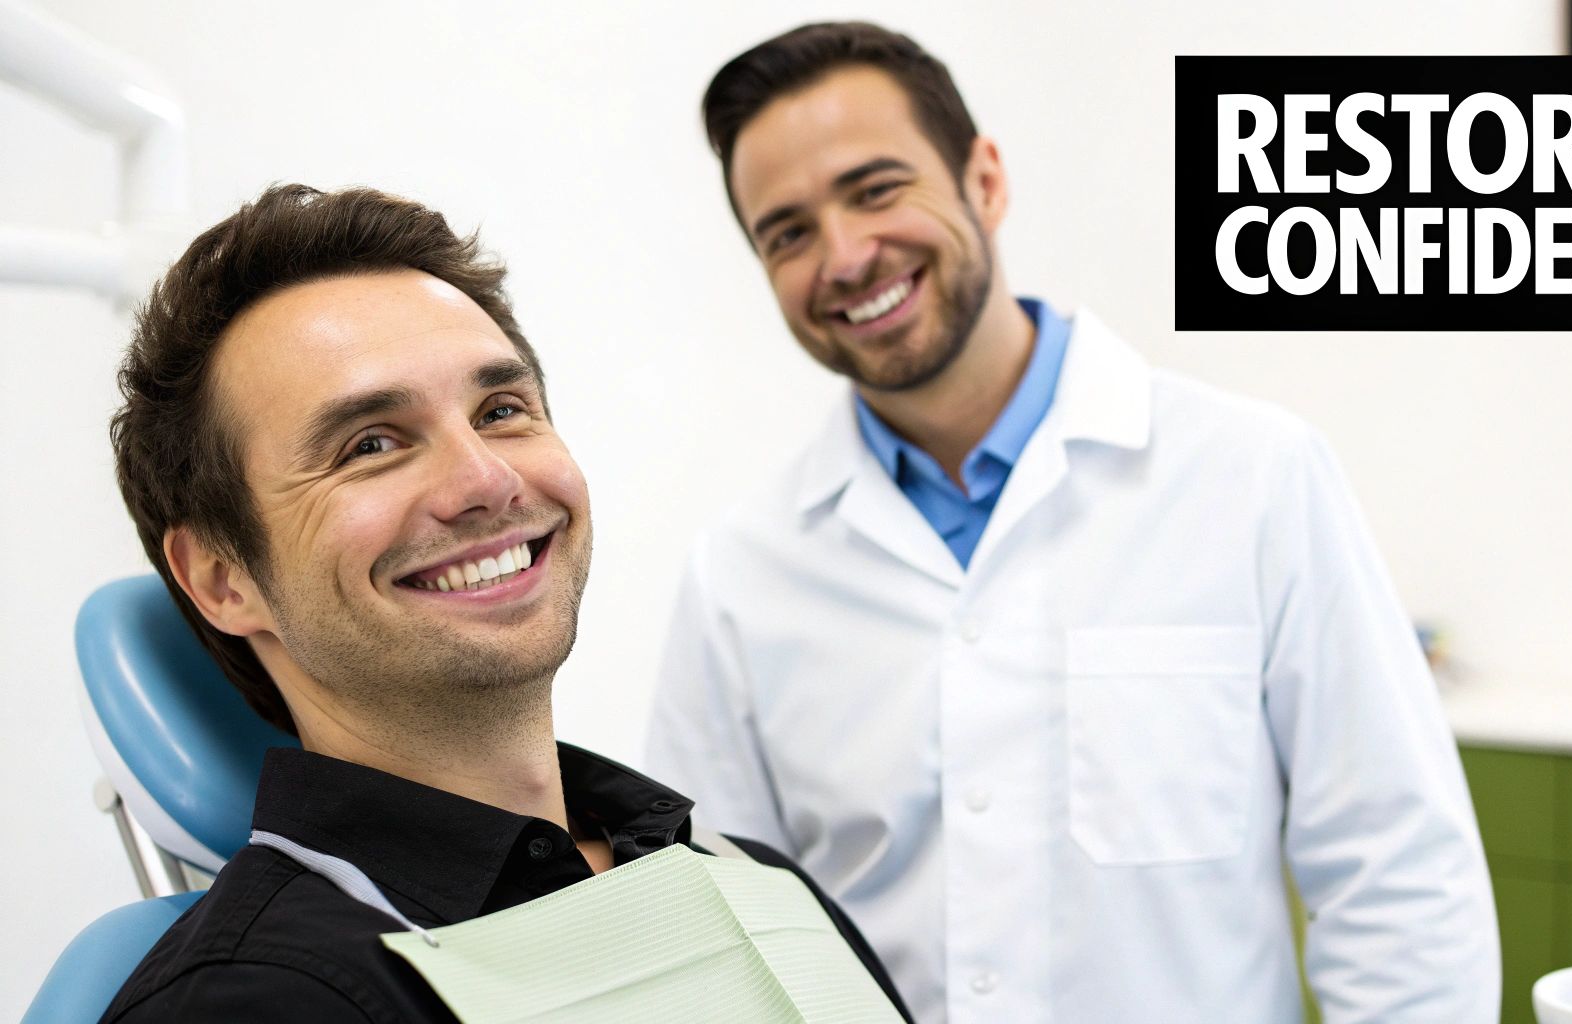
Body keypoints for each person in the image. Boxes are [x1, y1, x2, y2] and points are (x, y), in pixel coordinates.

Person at [643, 22, 1500, 1024]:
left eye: (876, 190)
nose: (843, 255)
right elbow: (709, 945)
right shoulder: (741, 576)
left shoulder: (1253, 477)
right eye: (786, 232)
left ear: (986, 179)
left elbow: (1396, 877)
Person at [99, 184, 909, 1023]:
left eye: (502, 410)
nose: (486, 479)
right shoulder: (249, 1000)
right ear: (221, 577)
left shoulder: (763, 886)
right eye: (371, 444)